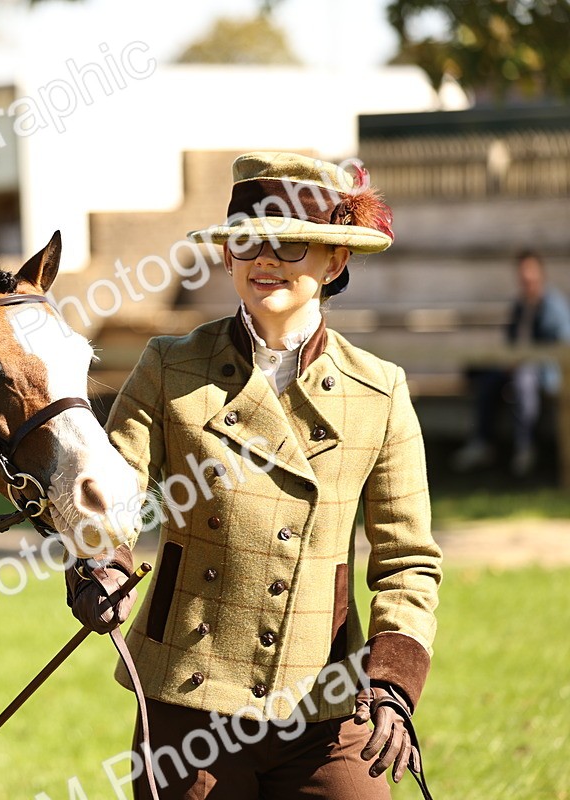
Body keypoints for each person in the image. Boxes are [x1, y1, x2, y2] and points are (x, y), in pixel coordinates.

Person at [68, 152, 442, 798]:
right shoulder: (167, 366)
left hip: (329, 706)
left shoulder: (381, 391)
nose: (265, 259)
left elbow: (407, 560)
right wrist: (102, 563)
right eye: (248, 242)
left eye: (290, 244)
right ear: (227, 257)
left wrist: (392, 683)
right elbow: (111, 496)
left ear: (334, 261)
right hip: (191, 701)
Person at [452, 250, 570, 477]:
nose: (526, 280)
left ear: (540, 275)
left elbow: (562, 346)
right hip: (516, 368)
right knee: (485, 377)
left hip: (544, 373)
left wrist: (526, 358)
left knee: (523, 380)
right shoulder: (519, 306)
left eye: (530, 274)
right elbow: (511, 344)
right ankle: (481, 442)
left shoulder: (552, 306)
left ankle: (525, 448)